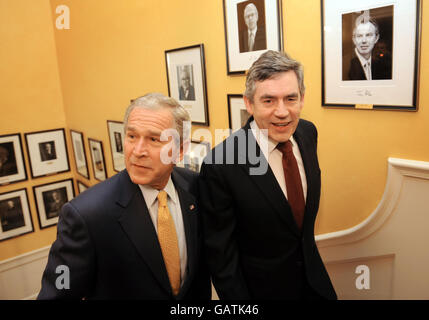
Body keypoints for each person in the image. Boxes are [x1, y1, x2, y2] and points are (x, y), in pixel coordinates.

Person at [38, 93, 211, 300]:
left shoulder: (196, 187)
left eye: (154, 139)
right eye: (131, 136)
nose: (137, 151)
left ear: (180, 151)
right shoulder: (85, 215)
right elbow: (58, 292)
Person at [199, 50, 337, 300]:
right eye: (269, 100)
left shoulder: (307, 133)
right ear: (249, 103)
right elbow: (222, 261)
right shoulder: (220, 165)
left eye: (290, 98)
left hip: (315, 285)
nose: (282, 112)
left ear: (302, 98)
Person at [347, 12, 391, 80]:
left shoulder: (385, 63)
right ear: (354, 39)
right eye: (359, 36)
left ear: (376, 38)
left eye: (368, 35)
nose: (364, 40)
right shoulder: (353, 63)